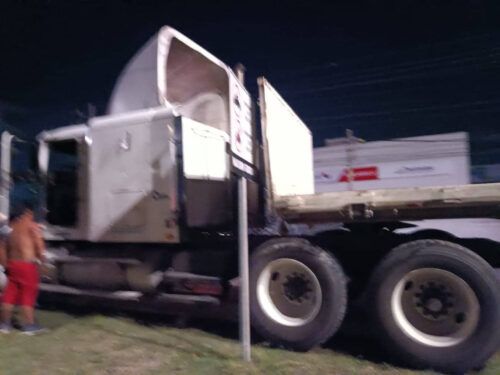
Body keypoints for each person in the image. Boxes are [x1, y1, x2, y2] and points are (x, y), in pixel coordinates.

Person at [0, 203, 46, 335]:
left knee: (9, 294)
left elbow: (2, 249)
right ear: (27, 214)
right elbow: (38, 244)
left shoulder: (9, 229)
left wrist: (5, 265)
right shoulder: (32, 226)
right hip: (27, 265)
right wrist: (42, 258)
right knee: (28, 294)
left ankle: (4, 324)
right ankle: (29, 325)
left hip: (12, 264)